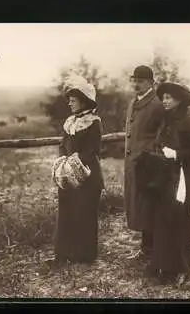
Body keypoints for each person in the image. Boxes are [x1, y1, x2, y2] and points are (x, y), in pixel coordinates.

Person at [147, 82, 190, 285]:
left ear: (179, 100)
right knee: (164, 220)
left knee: (181, 221)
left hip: (182, 178)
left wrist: (177, 154)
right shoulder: (165, 121)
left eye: (168, 98)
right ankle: (166, 267)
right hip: (164, 176)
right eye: (163, 98)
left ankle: (184, 268)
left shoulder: (188, 122)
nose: (164, 101)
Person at [51, 75, 104, 265]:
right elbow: (63, 144)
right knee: (66, 212)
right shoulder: (69, 122)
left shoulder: (93, 122)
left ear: (83, 101)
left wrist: (75, 164)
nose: (70, 104)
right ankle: (63, 253)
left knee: (84, 213)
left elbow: (92, 150)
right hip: (67, 174)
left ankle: (84, 255)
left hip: (87, 174)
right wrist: (63, 163)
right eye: (69, 101)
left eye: (73, 101)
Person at [124, 65, 165, 269]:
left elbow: (159, 135)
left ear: (150, 83)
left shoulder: (156, 104)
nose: (135, 84)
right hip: (133, 163)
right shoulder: (133, 102)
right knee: (138, 205)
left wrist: (147, 155)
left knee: (148, 205)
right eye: (134, 80)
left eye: (140, 81)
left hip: (148, 163)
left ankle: (153, 249)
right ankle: (145, 248)